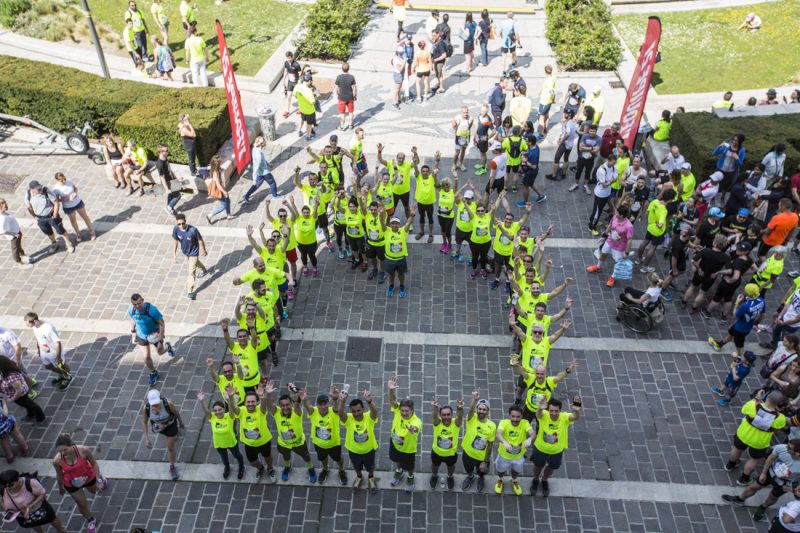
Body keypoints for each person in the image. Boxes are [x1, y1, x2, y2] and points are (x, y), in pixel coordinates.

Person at [725, 390, 786, 486]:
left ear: (767, 396)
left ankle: (730, 465)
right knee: (753, 459)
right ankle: (744, 479)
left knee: (737, 449)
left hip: (744, 434)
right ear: (779, 404)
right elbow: (778, 427)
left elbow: (743, 410)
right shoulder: (780, 418)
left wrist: (757, 398)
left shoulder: (752, 405)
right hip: (760, 442)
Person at [531, 395, 582, 497]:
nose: (553, 413)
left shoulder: (564, 417)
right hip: (540, 449)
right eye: (551, 411)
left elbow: (574, 417)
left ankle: (545, 480)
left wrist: (576, 411)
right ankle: (536, 480)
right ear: (548, 409)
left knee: (551, 468)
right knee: (537, 466)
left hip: (557, 451)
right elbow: (538, 414)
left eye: (556, 411)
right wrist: (540, 408)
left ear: (560, 410)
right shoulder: (544, 415)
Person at [52, 434, 105, 533]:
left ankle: (102, 480)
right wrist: (60, 487)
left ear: (71, 445)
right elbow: (59, 475)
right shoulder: (57, 461)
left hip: (88, 477)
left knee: (95, 491)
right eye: (59, 451)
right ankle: (90, 520)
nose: (62, 453)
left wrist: (98, 480)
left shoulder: (83, 450)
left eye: (65, 450)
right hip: (71, 483)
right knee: (82, 504)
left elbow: (94, 464)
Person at [227, 382, 277, 483]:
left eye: (253, 402)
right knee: (252, 462)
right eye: (248, 402)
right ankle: (260, 468)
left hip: (264, 441)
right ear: (244, 403)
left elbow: (263, 405)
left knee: (268, 456)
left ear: (256, 402)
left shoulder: (260, 410)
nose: (250, 404)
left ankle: (270, 469)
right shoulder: (241, 411)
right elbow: (233, 408)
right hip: (249, 444)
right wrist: (231, 397)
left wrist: (262, 396)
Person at [300, 387, 347, 486]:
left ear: (328, 404)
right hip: (319, 444)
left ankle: (341, 470)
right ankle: (325, 469)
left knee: (338, 458)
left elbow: (336, 407)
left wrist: (335, 399)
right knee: (322, 458)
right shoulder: (314, 412)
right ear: (316, 405)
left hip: (334, 444)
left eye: (325, 403)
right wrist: (304, 400)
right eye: (320, 404)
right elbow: (307, 407)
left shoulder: (333, 412)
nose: (323, 406)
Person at [338, 386, 379, 493]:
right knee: (356, 466)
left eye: (358, 410)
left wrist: (370, 401)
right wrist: (342, 402)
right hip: (353, 451)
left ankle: (371, 477)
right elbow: (341, 414)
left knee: (370, 466)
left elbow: (375, 413)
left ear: (363, 409)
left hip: (369, 450)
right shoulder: (349, 419)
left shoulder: (368, 417)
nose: (356, 414)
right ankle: (359, 477)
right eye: (353, 411)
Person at [196, 390, 245, 480]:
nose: (218, 412)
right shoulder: (212, 417)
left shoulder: (229, 416)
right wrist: (202, 401)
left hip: (231, 442)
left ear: (224, 409)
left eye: (220, 409)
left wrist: (229, 398)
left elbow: (231, 407)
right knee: (224, 457)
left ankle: (241, 467)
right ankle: (227, 468)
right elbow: (205, 410)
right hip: (219, 443)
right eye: (215, 410)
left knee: (237, 455)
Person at [128, 293, 174, 385]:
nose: (137, 306)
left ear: (142, 300)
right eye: (135, 304)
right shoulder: (131, 310)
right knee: (146, 356)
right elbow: (132, 319)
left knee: (160, 352)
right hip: (141, 335)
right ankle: (153, 372)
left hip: (155, 335)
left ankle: (168, 347)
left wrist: (160, 340)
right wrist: (133, 332)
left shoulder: (152, 310)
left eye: (139, 303)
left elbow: (161, 324)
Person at [510, 357, 576, 421]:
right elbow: (523, 372)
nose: (539, 376)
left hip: (542, 411)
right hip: (529, 409)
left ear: (545, 374)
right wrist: (516, 365)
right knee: (523, 425)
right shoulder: (531, 379)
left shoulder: (549, 381)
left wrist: (568, 370)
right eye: (537, 374)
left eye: (542, 374)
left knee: (540, 428)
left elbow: (559, 377)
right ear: (535, 373)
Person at [386, 377, 422, 493]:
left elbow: (416, 428)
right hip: (395, 442)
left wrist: (413, 429)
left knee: (410, 467)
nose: (404, 413)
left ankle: (410, 477)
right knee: (396, 459)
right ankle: (399, 471)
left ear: (412, 410)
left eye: (407, 411)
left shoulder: (416, 421)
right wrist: (391, 390)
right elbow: (392, 401)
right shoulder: (398, 411)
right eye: (402, 410)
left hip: (408, 450)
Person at [0, 469, 65, 533]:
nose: (8, 488)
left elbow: (42, 494)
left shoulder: (30, 483)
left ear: (18, 479)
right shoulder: (2, 489)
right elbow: (1, 501)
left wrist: (31, 506)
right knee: (33, 524)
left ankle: (60, 530)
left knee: (52, 519)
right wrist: (8, 510)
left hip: (40, 510)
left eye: (11, 485)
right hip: (22, 516)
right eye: (5, 486)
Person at [709, 284, 765, 356]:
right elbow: (763, 315)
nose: (744, 291)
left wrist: (737, 303)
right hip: (746, 326)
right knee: (731, 333)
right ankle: (719, 344)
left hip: (740, 329)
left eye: (746, 290)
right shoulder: (761, 300)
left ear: (749, 294)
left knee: (739, 346)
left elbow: (735, 315)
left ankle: (740, 360)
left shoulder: (745, 306)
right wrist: (756, 323)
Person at [141, 389, 184, 480]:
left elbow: (176, 413)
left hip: (170, 426)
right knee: (169, 441)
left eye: (156, 403)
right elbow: (144, 422)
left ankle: (172, 467)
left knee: (170, 447)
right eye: (153, 403)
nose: (155, 405)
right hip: (158, 427)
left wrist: (180, 422)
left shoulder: (168, 404)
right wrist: (146, 438)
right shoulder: (146, 408)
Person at [587, 205, 634, 287]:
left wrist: (626, 253)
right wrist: (603, 236)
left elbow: (629, 240)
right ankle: (598, 266)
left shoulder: (629, 226)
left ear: (622, 215)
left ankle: (613, 277)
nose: (615, 212)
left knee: (618, 263)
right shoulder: (615, 218)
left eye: (617, 212)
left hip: (619, 248)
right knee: (603, 254)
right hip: (609, 241)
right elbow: (610, 226)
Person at [24, 313, 72, 389]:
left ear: (35, 321)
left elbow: (57, 343)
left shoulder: (48, 328)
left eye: (28, 324)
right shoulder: (34, 326)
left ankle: (68, 376)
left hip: (54, 352)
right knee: (48, 366)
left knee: (61, 365)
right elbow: (38, 338)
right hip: (44, 351)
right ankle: (62, 375)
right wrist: (39, 350)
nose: (27, 326)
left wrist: (58, 357)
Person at [24, 180, 73, 254]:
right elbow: (29, 207)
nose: (40, 189)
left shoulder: (46, 191)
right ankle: (54, 243)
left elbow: (56, 202)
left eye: (40, 187)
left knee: (60, 230)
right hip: (40, 218)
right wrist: (34, 217)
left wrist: (55, 214)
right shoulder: (28, 194)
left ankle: (68, 243)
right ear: (32, 190)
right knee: (48, 232)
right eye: (38, 189)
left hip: (51, 216)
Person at [494, 404, 532, 495]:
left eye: (518, 417)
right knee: (501, 470)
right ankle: (500, 480)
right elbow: (498, 433)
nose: (515, 419)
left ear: (522, 416)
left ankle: (514, 480)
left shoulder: (525, 423)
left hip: (518, 456)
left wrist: (530, 439)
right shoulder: (503, 422)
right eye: (513, 416)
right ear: (509, 415)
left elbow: (532, 433)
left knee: (516, 470)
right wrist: (504, 441)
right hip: (504, 455)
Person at [634, 188, 674, 271]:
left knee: (644, 242)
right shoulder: (664, 210)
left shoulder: (654, 201)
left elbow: (648, 211)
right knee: (652, 248)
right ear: (670, 200)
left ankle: (638, 259)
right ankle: (645, 267)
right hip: (658, 232)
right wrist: (657, 223)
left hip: (650, 227)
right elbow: (660, 225)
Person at [172, 214, 209, 300]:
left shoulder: (193, 230)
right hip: (186, 252)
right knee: (195, 263)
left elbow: (200, 240)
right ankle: (204, 270)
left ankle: (190, 291)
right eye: (179, 224)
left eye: (183, 223)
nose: (181, 225)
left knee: (191, 272)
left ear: (186, 221)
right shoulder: (176, 229)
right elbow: (175, 241)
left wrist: (203, 250)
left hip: (194, 253)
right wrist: (174, 254)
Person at [429, 396, 463, 490]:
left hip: (451, 454)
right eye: (444, 415)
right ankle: (434, 475)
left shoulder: (456, 424)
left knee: (451, 466)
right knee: (434, 465)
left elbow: (460, 417)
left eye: (448, 414)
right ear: (440, 415)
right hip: (436, 452)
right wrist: (435, 408)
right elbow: (434, 416)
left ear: (452, 415)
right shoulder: (437, 423)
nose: (446, 417)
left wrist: (460, 408)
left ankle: (450, 477)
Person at [382, 207, 416, 298]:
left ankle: (401, 286)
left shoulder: (403, 231)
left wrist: (412, 215)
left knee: (401, 274)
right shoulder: (386, 231)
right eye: (393, 223)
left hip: (400, 259)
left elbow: (409, 223)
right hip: (389, 259)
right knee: (391, 275)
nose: (394, 225)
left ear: (399, 225)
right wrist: (381, 214)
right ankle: (391, 286)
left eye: (396, 224)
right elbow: (381, 222)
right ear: (390, 224)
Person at [0, 358, 45, 422]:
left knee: (30, 404)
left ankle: (41, 416)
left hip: (20, 396)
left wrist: (12, 399)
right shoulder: (4, 372)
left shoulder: (12, 377)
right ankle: (30, 414)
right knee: (27, 405)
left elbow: (19, 391)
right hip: (15, 394)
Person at [243, 137, 279, 204]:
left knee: (256, 185)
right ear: (262, 144)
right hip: (264, 172)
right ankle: (275, 196)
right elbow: (256, 167)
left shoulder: (254, 148)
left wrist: (268, 164)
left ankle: (246, 196)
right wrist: (254, 179)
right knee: (272, 183)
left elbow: (262, 160)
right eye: (263, 142)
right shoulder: (258, 155)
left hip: (260, 173)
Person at [588, 155, 617, 235]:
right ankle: (591, 226)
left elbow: (615, 178)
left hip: (607, 193)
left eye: (615, 163)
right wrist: (611, 181)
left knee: (600, 209)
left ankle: (593, 220)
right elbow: (604, 185)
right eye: (612, 163)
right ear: (608, 160)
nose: (613, 164)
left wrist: (609, 181)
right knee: (597, 210)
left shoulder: (614, 167)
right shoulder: (602, 170)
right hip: (600, 194)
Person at [546, 111, 578, 181]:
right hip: (570, 144)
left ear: (567, 115)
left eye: (565, 113)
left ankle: (554, 175)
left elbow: (568, 133)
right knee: (566, 158)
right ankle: (564, 174)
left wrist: (562, 141)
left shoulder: (568, 124)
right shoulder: (573, 123)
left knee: (556, 159)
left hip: (565, 144)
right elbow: (574, 133)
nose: (563, 114)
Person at [0, 199, 30, 268]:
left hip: (17, 233)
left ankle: (23, 256)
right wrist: (14, 234)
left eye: (6, 204)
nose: (6, 206)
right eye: (4, 206)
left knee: (19, 246)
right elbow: (2, 231)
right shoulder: (3, 218)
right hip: (14, 236)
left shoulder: (6, 213)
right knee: (15, 249)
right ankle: (20, 263)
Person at [571, 123, 601, 194]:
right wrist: (592, 148)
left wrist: (586, 148)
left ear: (596, 131)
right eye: (591, 131)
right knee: (578, 171)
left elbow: (596, 150)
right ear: (589, 131)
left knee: (588, 172)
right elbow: (580, 148)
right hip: (581, 157)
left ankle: (586, 185)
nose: (592, 133)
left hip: (591, 158)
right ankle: (576, 184)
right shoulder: (584, 136)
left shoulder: (599, 139)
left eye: (594, 131)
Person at [205, 155, 233, 224]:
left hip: (221, 187)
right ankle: (210, 215)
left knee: (228, 200)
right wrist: (224, 192)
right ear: (217, 164)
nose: (221, 162)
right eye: (220, 162)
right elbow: (218, 185)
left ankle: (228, 215)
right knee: (224, 205)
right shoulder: (215, 172)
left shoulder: (215, 168)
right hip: (219, 190)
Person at [154, 145, 181, 215]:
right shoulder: (160, 164)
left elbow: (170, 170)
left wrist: (176, 178)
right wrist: (166, 189)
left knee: (171, 195)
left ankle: (170, 209)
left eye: (167, 150)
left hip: (171, 180)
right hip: (167, 182)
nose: (168, 152)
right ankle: (169, 207)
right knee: (178, 196)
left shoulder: (165, 158)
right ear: (161, 152)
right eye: (166, 151)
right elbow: (162, 177)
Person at [0, 398, 28, 463]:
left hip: (0, 430)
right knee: (17, 435)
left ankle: (9, 456)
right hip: (7, 423)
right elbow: (5, 414)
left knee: (4, 441)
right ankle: (25, 448)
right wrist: (4, 404)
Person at [294, 74, 318, 140]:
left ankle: (299, 130)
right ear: (309, 81)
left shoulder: (297, 87)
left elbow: (295, 95)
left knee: (302, 119)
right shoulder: (309, 91)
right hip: (310, 111)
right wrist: (315, 97)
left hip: (302, 109)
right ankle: (308, 136)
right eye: (311, 81)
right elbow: (313, 102)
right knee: (309, 124)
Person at [334, 62, 357, 130]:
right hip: (350, 97)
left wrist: (338, 94)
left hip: (341, 98)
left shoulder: (339, 77)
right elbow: (354, 88)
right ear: (349, 69)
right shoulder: (351, 77)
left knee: (342, 113)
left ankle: (342, 126)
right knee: (351, 112)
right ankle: (350, 125)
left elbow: (337, 88)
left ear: (342, 69)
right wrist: (354, 95)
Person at [452, 106, 473, 172]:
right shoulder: (457, 118)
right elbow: (453, 127)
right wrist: (455, 124)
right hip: (458, 137)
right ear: (461, 112)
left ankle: (460, 163)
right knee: (457, 152)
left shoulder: (470, 119)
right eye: (464, 112)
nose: (465, 114)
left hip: (466, 137)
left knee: (463, 151)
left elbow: (469, 126)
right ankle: (454, 164)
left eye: (466, 112)